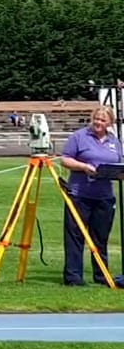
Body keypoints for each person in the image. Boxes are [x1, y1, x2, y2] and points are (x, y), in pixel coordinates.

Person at [58, 105, 122, 286]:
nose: (98, 123)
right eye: (96, 119)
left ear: (110, 122)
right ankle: (73, 277)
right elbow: (65, 159)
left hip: (104, 196)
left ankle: (102, 275)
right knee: (75, 236)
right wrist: (84, 167)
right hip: (80, 194)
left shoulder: (114, 141)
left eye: (103, 120)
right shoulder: (79, 136)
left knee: (101, 238)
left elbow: (118, 161)